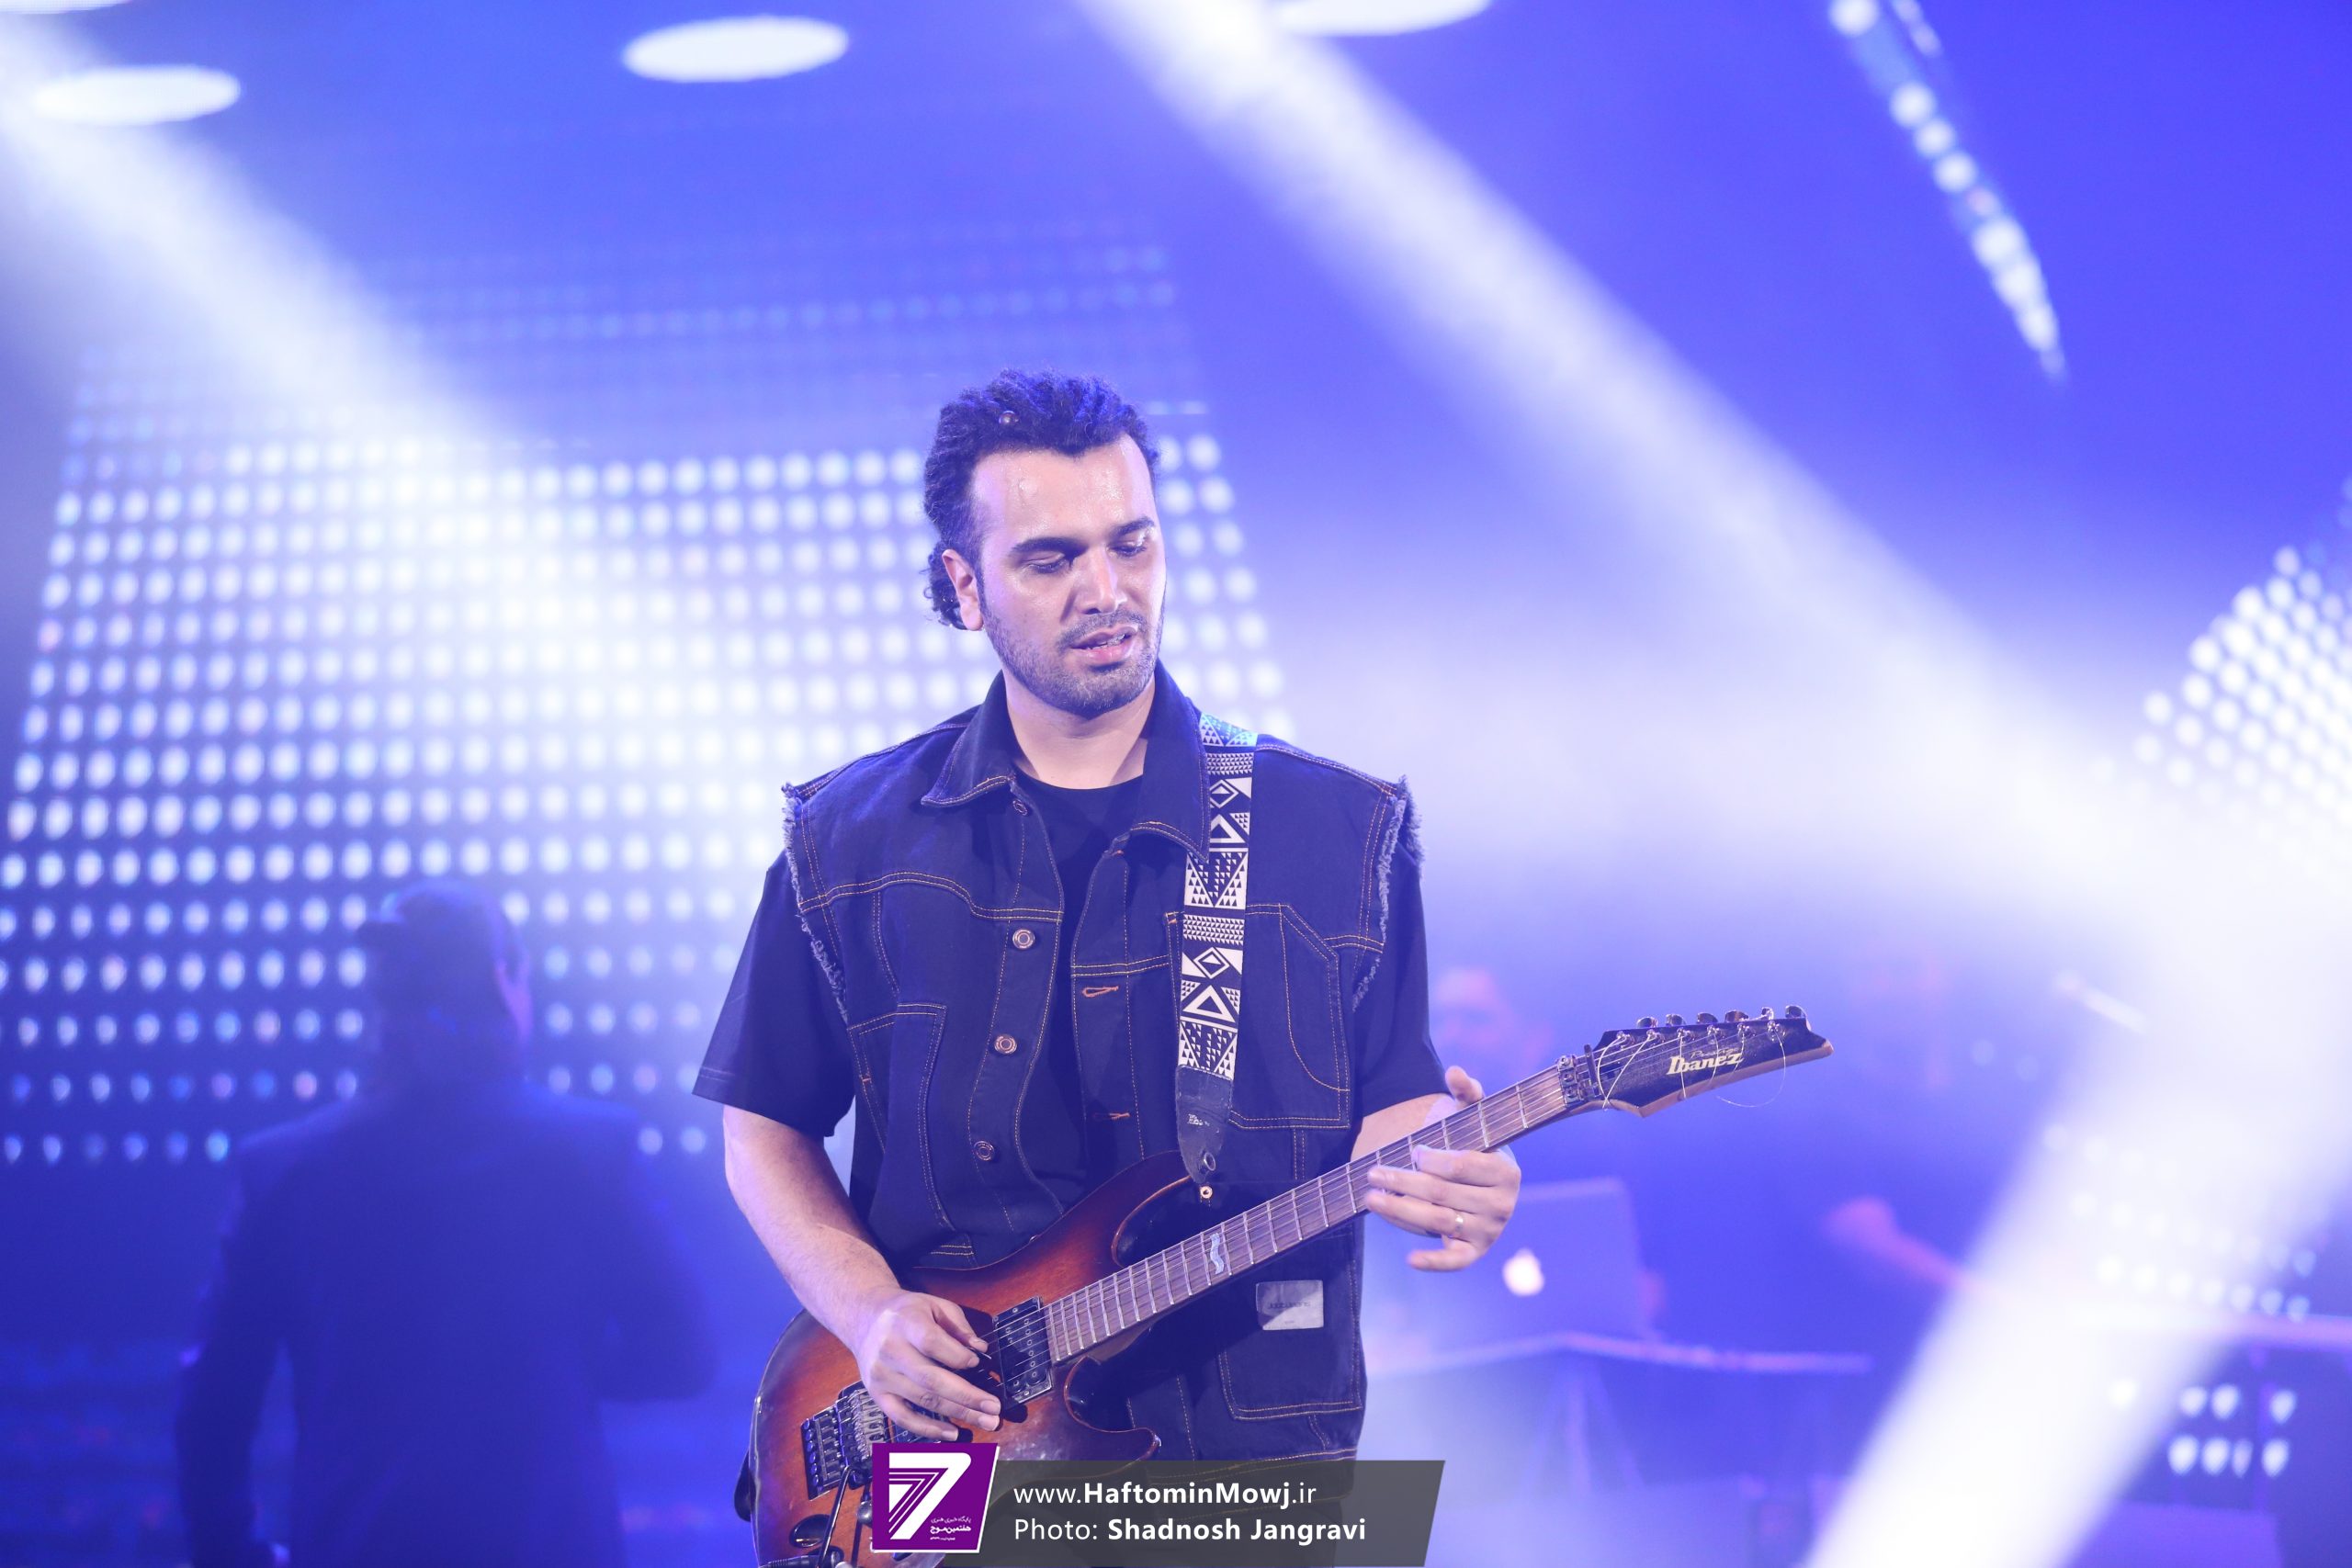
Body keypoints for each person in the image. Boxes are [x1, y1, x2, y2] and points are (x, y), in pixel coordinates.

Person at [698, 369, 1521, 1461]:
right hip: (948, 1442)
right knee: (932, 1539)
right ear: (963, 584)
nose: (1105, 589)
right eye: (1050, 559)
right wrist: (867, 1315)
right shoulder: (850, 837)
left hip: (1248, 1456)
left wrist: (1448, 1172)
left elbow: (1392, 1103)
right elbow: (762, 1125)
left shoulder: (1339, 825)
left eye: (1131, 544)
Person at [174, 880, 715, 1568]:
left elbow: (213, 1406)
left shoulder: (283, 1172)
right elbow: (686, 1354)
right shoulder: (592, 1150)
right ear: (504, 979)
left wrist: (234, 1552)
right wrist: (551, 1362)